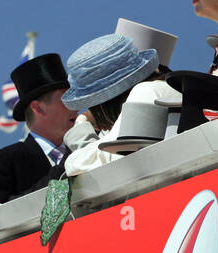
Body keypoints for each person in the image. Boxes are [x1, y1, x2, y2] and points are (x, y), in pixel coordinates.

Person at [0, 53, 77, 203]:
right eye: (66, 98)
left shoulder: (89, 145)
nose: (76, 105)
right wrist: (63, 169)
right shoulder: (7, 159)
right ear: (38, 108)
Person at [59, 33, 166, 176]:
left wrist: (80, 125)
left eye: (93, 105)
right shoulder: (163, 89)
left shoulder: (144, 94)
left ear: (104, 103)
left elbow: (84, 164)